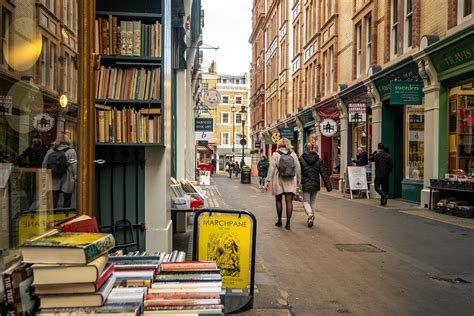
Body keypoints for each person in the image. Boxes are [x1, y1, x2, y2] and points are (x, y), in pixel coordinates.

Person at [265, 138, 301, 230]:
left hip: (279, 179)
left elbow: (271, 168)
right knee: (289, 201)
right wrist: (299, 180)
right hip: (291, 179)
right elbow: (298, 168)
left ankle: (280, 221)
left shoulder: (275, 154)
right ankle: (288, 223)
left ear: (279, 144)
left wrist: (268, 180)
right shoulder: (293, 154)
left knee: (278, 200)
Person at [299, 143, 332, 227]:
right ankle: (312, 218)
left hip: (305, 183)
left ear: (305, 149)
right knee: (312, 201)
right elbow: (323, 173)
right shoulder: (319, 160)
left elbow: (298, 172)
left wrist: (297, 182)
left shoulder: (301, 159)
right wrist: (328, 186)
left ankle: (310, 215)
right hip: (315, 183)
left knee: (306, 201)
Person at [42, 133, 77, 208]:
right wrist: (75, 177)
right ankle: (65, 216)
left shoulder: (51, 151)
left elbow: (44, 165)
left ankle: (53, 216)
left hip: (54, 177)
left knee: (54, 199)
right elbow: (74, 166)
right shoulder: (71, 151)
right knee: (67, 199)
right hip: (67, 178)